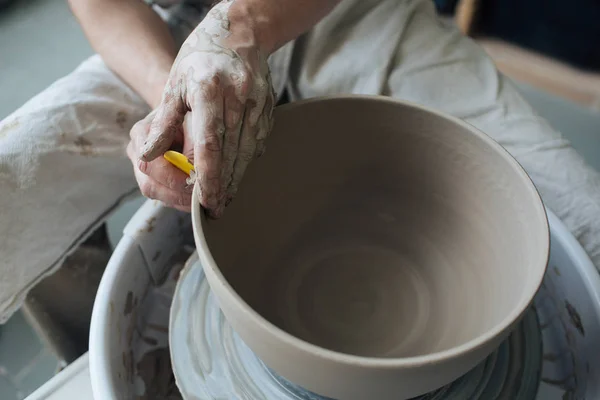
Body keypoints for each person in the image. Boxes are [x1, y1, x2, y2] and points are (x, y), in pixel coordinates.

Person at [1, 0, 599, 323]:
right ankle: (93, 342)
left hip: (346, 15)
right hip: (174, 30)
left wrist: (242, 29)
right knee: (14, 184)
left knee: (582, 224)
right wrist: (176, 99)